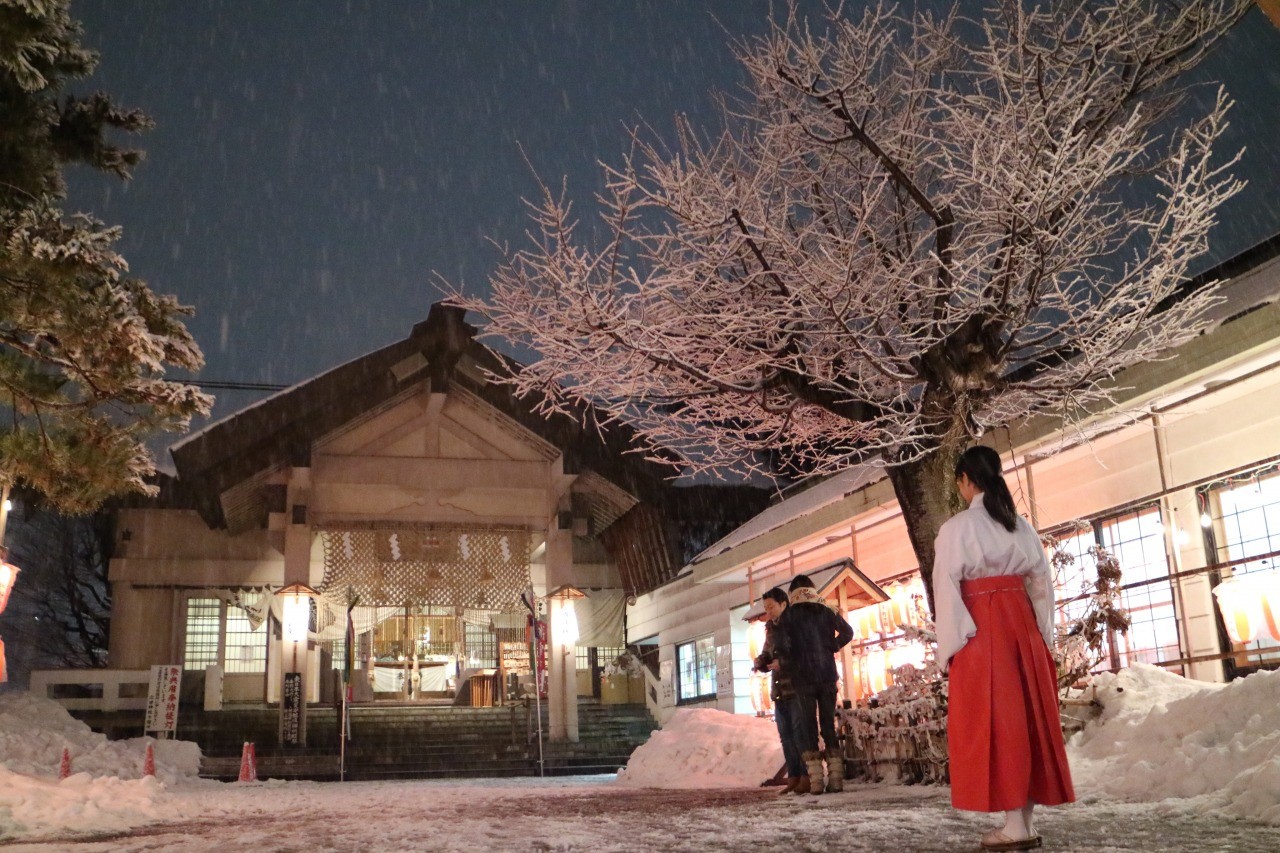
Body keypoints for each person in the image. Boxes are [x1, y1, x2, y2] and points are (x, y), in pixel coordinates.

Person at [933, 445, 1075, 852]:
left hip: (982, 628)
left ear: (965, 480)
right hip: (1021, 622)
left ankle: (1015, 825)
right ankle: (1021, 822)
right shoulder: (1020, 526)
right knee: (1026, 720)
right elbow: (1040, 584)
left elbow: (946, 586)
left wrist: (952, 645)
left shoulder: (957, 528)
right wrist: (1042, 634)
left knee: (999, 720)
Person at [776, 573, 853, 795]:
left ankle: (817, 782)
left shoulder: (789, 616)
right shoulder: (826, 610)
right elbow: (848, 632)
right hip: (827, 676)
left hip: (802, 679)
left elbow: (783, 646)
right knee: (828, 724)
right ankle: (836, 779)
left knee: (809, 726)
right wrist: (831, 646)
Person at [753, 587, 809, 794]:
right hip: (778, 690)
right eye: (766, 607)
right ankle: (793, 776)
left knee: (799, 734)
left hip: (795, 687)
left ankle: (806, 775)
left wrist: (782, 663)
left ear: (783, 604)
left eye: (771, 606)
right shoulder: (771, 628)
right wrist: (761, 662)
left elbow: (803, 654)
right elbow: (767, 651)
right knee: (785, 736)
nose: (768, 611)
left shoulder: (795, 625)